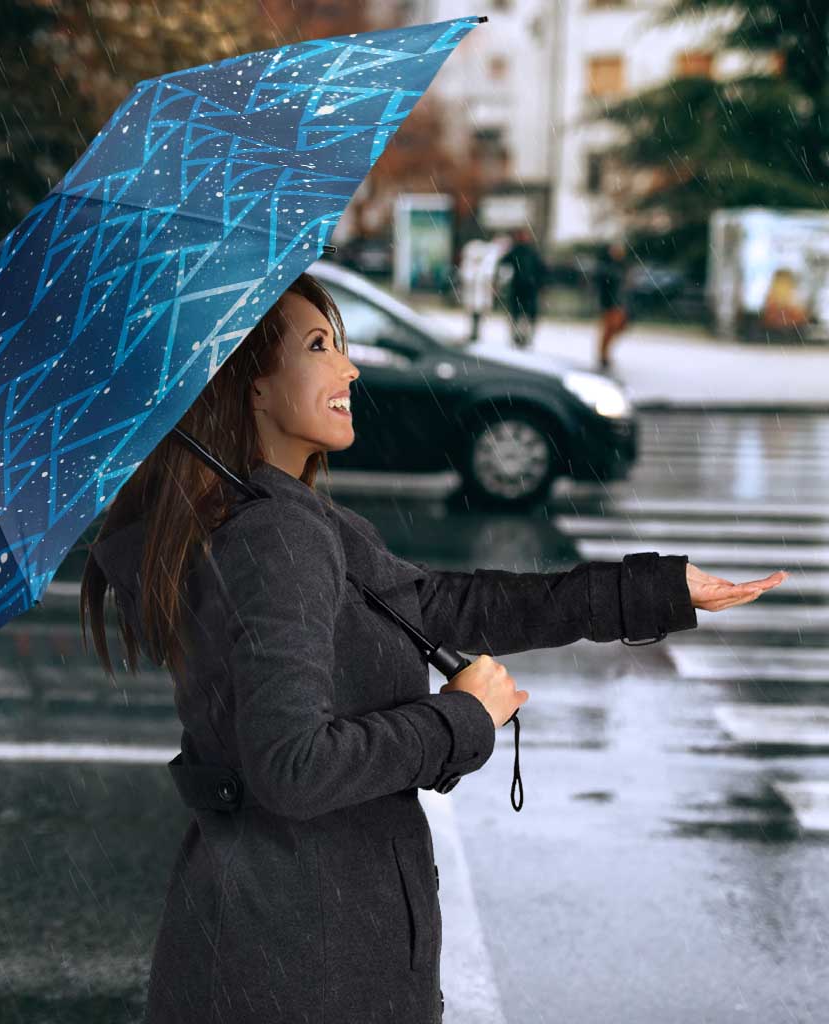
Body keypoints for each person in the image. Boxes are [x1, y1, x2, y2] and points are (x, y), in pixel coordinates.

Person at [81, 272, 787, 1024]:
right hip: (302, 963)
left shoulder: (284, 520)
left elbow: (449, 606)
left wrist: (654, 590)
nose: (349, 368)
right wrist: (460, 719)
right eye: (320, 346)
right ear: (251, 387)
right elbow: (292, 767)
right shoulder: (275, 537)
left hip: (282, 944)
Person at [497, 226, 547, 349]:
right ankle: (518, 337)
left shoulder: (530, 252)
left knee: (525, 315)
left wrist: (540, 284)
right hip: (520, 288)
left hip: (528, 288)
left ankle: (524, 337)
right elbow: (503, 264)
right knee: (518, 314)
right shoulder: (517, 251)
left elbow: (541, 270)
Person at [595, 239, 631, 370]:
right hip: (610, 303)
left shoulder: (622, 266)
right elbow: (604, 286)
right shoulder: (607, 267)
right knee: (609, 329)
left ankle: (604, 354)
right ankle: (603, 355)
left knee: (617, 328)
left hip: (619, 303)